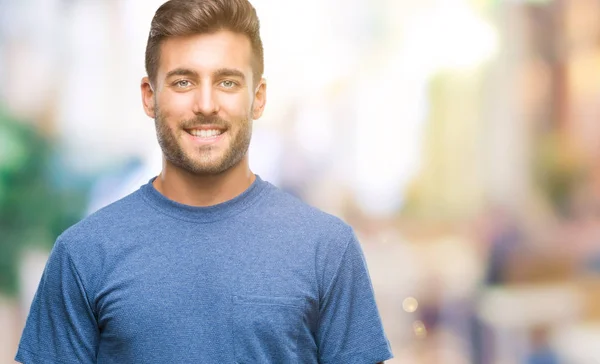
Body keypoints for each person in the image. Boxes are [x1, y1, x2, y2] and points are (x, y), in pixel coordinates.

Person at [15, 0, 393, 362]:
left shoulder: (326, 248)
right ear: (150, 96)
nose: (207, 104)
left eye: (227, 82)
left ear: (258, 98)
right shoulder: (84, 253)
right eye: (183, 82)